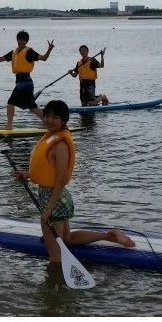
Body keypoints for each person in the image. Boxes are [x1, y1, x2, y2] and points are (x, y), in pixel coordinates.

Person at [12, 99, 135, 263]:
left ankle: (56, 285)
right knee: (67, 238)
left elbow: (61, 180)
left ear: (63, 121)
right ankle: (109, 235)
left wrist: (48, 210)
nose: (49, 120)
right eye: (47, 115)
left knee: (55, 258)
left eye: (55, 117)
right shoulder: (52, 137)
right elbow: (49, 171)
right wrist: (28, 175)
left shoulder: (60, 145)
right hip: (58, 198)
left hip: (53, 200)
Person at [0, 30, 54, 129]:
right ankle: (48, 124)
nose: (20, 41)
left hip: (25, 82)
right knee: (32, 107)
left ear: (26, 41)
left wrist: (49, 50)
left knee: (11, 102)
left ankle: (9, 126)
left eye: (23, 40)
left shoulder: (29, 52)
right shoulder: (14, 52)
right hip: (21, 81)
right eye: (19, 39)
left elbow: (43, 58)